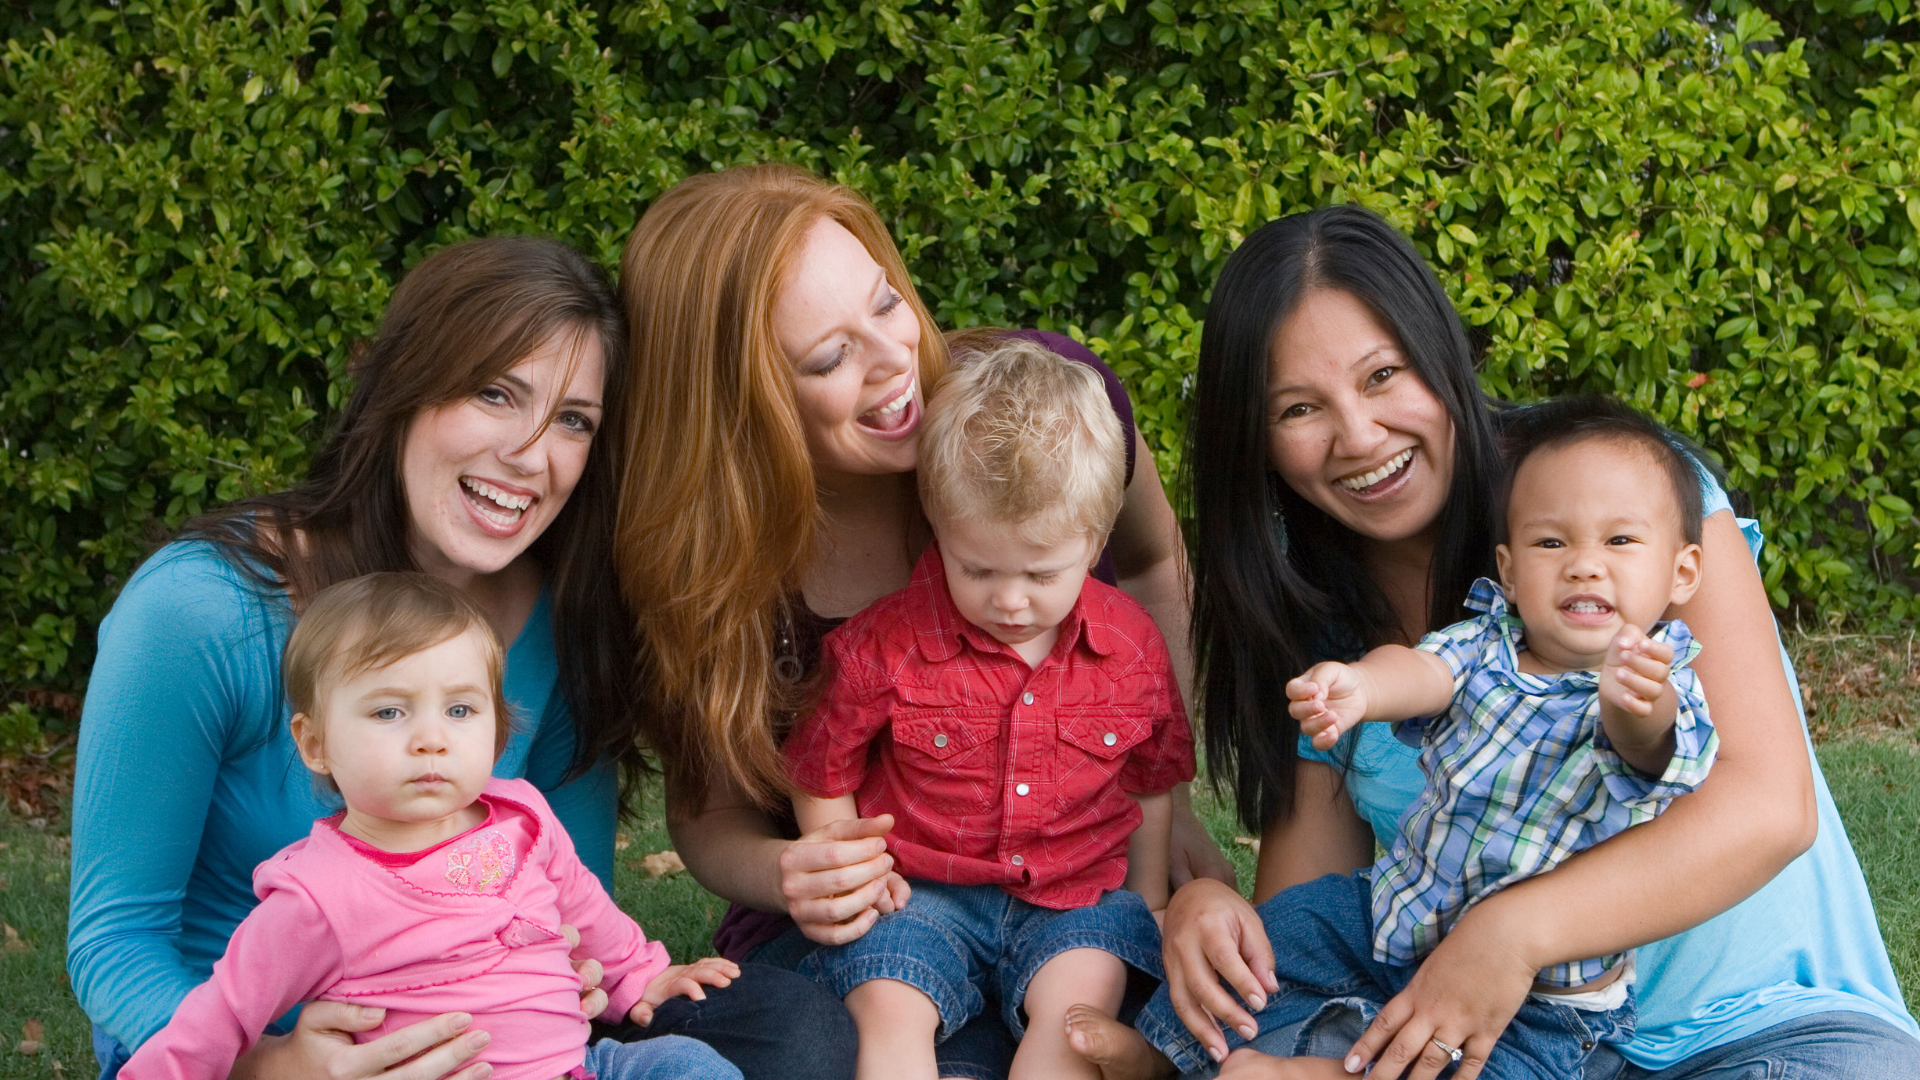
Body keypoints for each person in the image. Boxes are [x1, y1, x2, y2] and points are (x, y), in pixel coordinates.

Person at [1070, 205, 1919, 1080]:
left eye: (1383, 374)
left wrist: (1511, 935)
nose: (1359, 437)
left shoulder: (1613, 502)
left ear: (1442, 357)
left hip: (1759, 1032)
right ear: (1259, 443)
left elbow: (1768, 809)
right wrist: (1206, 908)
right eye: (1299, 408)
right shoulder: (1323, 622)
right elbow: (1309, 921)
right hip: (1494, 1053)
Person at [69, 236, 851, 1080]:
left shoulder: (559, 628)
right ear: (407, 385)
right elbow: (115, 940)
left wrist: (579, 979)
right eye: (494, 393)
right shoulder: (200, 611)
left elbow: (567, 901)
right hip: (228, 1039)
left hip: (488, 1035)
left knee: (791, 1033)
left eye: (573, 421)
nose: (529, 453)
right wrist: (282, 1063)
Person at [616, 163, 1228, 1078]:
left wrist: (1157, 799)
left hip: (1071, 879)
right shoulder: (719, 566)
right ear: (737, 400)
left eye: (888, 303)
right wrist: (793, 871)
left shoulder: (1043, 416)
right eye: (829, 357)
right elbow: (708, 817)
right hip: (878, 910)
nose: (895, 358)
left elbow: (1147, 561)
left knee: (1159, 1015)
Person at [1114, 398, 1722, 1078]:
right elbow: (1422, 671)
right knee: (1278, 933)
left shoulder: (1658, 684)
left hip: (1540, 999)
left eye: (1620, 542)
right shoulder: (1488, 643)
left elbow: (1651, 751)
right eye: (1552, 543)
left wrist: (1635, 706)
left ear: (1682, 573)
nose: (1584, 564)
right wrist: (1362, 687)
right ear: (1512, 570)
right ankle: (1159, 1047)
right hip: (1394, 911)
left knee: (1478, 1071)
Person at [121, 572, 743, 1080]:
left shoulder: (522, 817)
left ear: (496, 729)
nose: (430, 740)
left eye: (460, 709)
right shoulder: (318, 895)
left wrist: (640, 973)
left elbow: (584, 906)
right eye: (389, 710)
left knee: (690, 1065)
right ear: (315, 743)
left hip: (576, 1065)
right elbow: (223, 1011)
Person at [783, 340, 1195, 1080]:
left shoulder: (1130, 648)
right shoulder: (885, 645)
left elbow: (1151, 781)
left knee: (1076, 1018)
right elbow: (821, 765)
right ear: (939, 529)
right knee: (888, 1002)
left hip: (1077, 898)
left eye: (1041, 572)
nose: (1009, 599)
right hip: (924, 891)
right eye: (976, 568)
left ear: (1095, 541)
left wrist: (1150, 897)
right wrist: (853, 871)